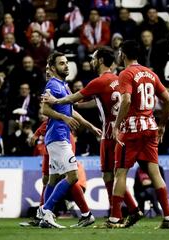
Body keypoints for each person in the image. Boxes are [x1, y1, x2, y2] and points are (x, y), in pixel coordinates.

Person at [42, 47, 142, 227]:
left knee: (107, 176)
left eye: (94, 58)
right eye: (62, 63)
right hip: (123, 129)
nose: (91, 61)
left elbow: (71, 101)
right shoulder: (119, 79)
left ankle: (116, 215)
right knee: (58, 177)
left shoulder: (97, 81)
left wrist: (57, 103)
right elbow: (95, 102)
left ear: (101, 60)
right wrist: (87, 124)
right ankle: (124, 211)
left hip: (109, 133)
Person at [112, 40, 169, 228]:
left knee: (120, 172)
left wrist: (116, 125)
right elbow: (167, 100)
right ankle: (168, 218)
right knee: (155, 172)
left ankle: (115, 217)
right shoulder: (150, 73)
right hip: (150, 127)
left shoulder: (126, 73)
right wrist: (162, 124)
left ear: (122, 54)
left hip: (132, 129)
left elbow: (126, 100)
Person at [37, 52, 101, 228]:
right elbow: (45, 110)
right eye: (62, 63)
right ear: (52, 68)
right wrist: (63, 118)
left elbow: (71, 110)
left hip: (59, 137)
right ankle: (47, 211)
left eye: (67, 63)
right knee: (72, 176)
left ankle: (44, 212)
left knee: (54, 178)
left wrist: (89, 126)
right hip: (58, 137)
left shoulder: (64, 86)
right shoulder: (52, 84)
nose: (66, 66)